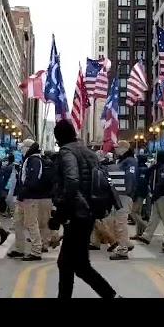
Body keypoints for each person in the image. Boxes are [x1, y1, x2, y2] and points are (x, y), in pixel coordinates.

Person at [50, 120, 118, 298]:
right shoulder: (89, 153)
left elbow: (72, 181)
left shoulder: (67, 152)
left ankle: (111, 295)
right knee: (69, 263)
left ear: (59, 137)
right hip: (88, 212)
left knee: (78, 265)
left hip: (77, 213)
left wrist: (61, 212)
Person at [8, 139, 45, 261]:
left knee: (31, 224)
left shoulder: (34, 160)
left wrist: (23, 193)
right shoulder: (28, 159)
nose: (21, 149)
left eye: (23, 147)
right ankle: (19, 248)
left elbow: (33, 180)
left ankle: (36, 251)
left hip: (30, 197)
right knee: (17, 223)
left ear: (28, 148)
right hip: (24, 197)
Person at [106, 140, 137, 260]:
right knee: (118, 222)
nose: (115, 150)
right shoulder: (125, 161)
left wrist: (126, 192)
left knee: (120, 223)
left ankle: (123, 250)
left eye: (117, 147)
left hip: (123, 196)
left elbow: (130, 178)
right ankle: (126, 243)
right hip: (121, 195)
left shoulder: (130, 161)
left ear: (124, 148)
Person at [138, 150, 164, 246]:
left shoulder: (162, 168)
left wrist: (154, 192)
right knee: (155, 217)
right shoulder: (160, 167)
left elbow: (161, 183)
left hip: (162, 196)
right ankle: (147, 236)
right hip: (159, 196)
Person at [129, 154, 149, 239]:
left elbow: (138, 183)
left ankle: (146, 227)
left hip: (138, 193)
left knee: (133, 212)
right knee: (138, 213)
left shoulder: (139, 169)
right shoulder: (146, 169)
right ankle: (139, 233)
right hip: (143, 193)